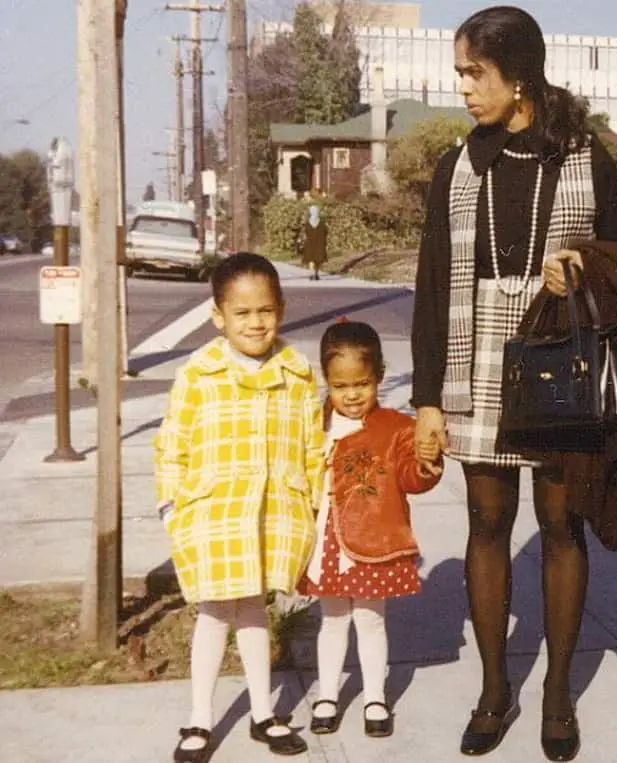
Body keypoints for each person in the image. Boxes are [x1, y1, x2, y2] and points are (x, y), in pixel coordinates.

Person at [411, 6, 617, 761]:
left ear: (520, 76)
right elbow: (432, 284)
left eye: (476, 74)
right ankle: (493, 687)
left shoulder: (584, 157)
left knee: (562, 522)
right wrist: (425, 402)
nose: (465, 89)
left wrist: (578, 266)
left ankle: (557, 692)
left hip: (558, 356)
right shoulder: (457, 164)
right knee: (484, 522)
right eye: (461, 75)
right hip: (475, 356)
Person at [155, 252, 323, 762]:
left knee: (253, 612)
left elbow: (311, 445)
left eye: (266, 311)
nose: (256, 322)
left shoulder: (297, 373)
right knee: (213, 614)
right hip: (213, 513)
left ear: (282, 309)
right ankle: (199, 719)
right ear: (219, 316)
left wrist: (313, 505)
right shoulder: (198, 374)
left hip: (272, 512)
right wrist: (170, 503)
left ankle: (261, 712)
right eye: (243, 313)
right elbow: (172, 442)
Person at [299, 320, 443, 739]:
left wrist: (425, 460)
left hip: (374, 540)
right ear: (327, 381)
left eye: (362, 383)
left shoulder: (397, 428)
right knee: (332, 620)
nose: (352, 395)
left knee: (370, 620)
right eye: (341, 386)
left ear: (379, 375)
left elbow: (411, 478)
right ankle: (327, 694)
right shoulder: (314, 423)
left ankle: (375, 696)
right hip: (326, 540)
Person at [300, 204, 328, 281]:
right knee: (318, 260)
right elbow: (326, 232)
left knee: (311, 259)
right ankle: (316, 274)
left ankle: (311, 274)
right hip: (320, 243)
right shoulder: (322, 223)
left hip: (310, 243)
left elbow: (305, 233)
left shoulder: (307, 223)